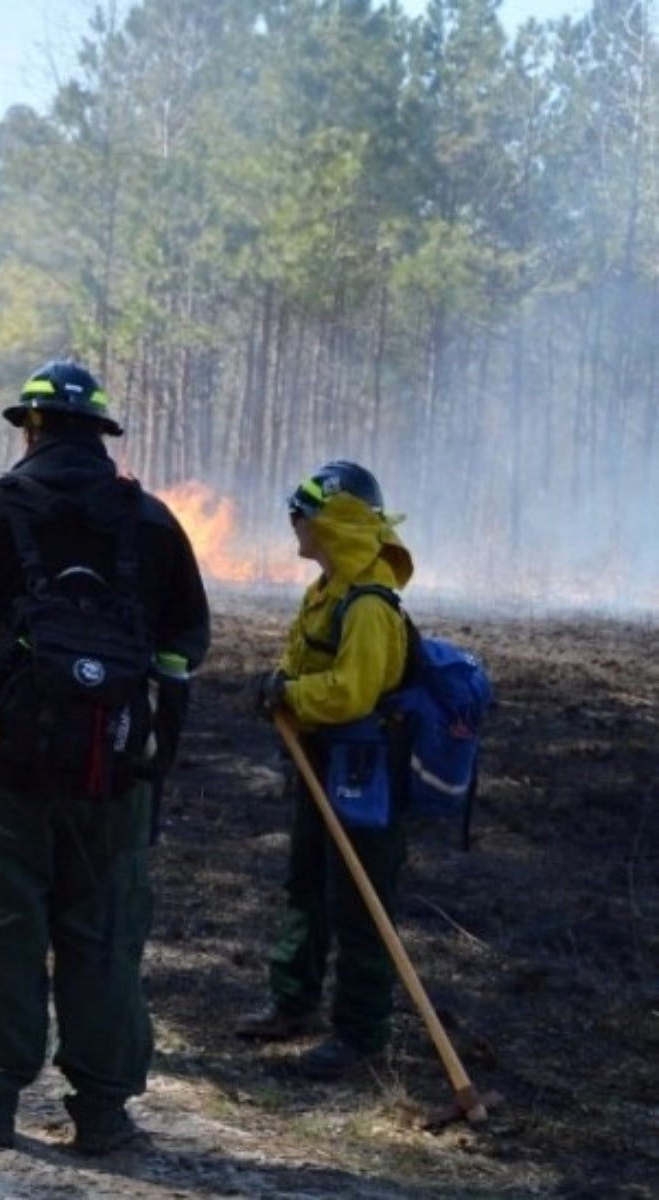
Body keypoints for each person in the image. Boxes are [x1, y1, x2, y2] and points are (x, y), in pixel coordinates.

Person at [0, 360, 210, 1155]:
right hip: (115, 774)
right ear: (100, 435)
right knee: (105, 930)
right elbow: (187, 641)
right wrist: (145, 733)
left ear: (31, 429)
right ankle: (103, 1114)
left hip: (2, 768)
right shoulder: (153, 524)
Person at [238, 460, 415, 1080]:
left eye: (303, 515)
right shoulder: (328, 590)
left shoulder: (368, 605)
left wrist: (290, 694)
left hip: (367, 772)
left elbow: (352, 693)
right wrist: (284, 688)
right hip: (325, 761)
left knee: (360, 898)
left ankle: (361, 1034)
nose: (294, 524)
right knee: (307, 881)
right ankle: (294, 1003)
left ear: (333, 526)